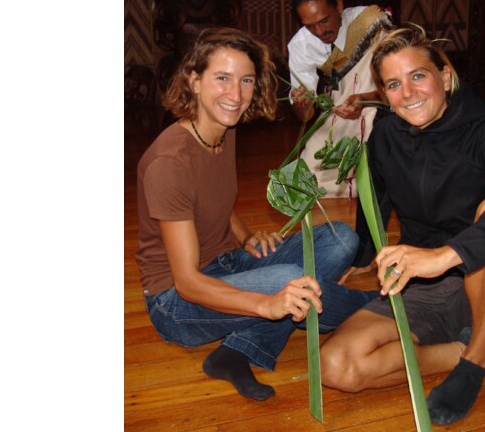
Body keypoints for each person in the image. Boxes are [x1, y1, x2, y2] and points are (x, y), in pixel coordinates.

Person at [319, 24, 485, 424]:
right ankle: (464, 353)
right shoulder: (384, 135)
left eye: (418, 76)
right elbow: (374, 199)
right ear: (383, 95)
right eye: (393, 84)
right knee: (337, 367)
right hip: (424, 287)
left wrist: (445, 256)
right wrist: (362, 255)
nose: (408, 93)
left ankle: (477, 359)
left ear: (444, 78)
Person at [135, 27, 377, 402]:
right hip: (177, 303)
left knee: (342, 238)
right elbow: (187, 283)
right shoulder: (169, 163)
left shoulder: (221, 129)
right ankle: (381, 307)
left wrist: (246, 236)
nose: (235, 95)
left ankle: (237, 350)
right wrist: (267, 304)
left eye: (245, 80)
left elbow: (216, 202)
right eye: (222, 78)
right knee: (292, 280)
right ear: (194, 81)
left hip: (227, 263)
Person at [287, 0, 393, 198]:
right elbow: (305, 116)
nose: (318, 31)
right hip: (341, 109)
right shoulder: (301, 46)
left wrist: (364, 98)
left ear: (339, 5)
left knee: (376, 159)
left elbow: (398, 85)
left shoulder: (370, 23)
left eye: (324, 20)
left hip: (382, 105)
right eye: (309, 25)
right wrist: (303, 102)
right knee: (306, 177)